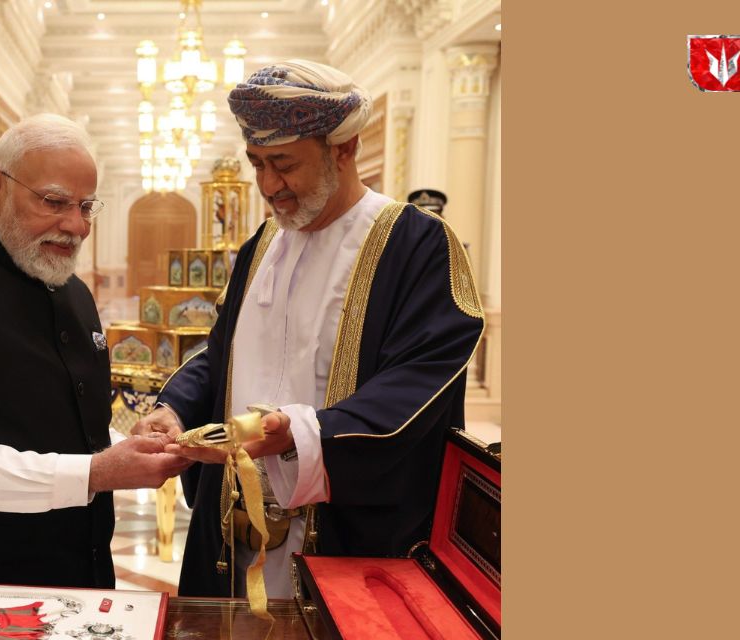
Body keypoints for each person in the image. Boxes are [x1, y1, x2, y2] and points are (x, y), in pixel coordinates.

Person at [133, 61, 486, 598]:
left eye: (284, 164)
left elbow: (420, 379)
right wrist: (175, 407)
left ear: (344, 148)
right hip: (233, 527)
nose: (268, 185)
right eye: (257, 163)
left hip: (346, 535)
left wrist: (299, 435)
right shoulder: (261, 245)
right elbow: (223, 353)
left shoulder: (416, 244)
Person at [0, 113, 189, 589]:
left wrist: (126, 444)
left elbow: (58, 421)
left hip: (79, 579)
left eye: (86, 206)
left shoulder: (75, 293)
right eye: (54, 202)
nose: (76, 225)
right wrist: (95, 472)